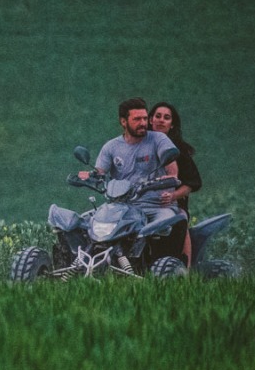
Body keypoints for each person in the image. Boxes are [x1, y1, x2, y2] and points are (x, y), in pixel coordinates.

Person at [86, 96, 182, 236]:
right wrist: (89, 176)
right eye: (137, 119)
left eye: (144, 118)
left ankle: (162, 257)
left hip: (155, 206)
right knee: (86, 225)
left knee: (163, 225)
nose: (143, 123)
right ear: (123, 122)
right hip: (122, 207)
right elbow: (99, 173)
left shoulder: (158, 139)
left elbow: (172, 172)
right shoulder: (111, 147)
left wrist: (168, 180)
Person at [151, 101, 201, 261]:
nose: (161, 120)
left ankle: (184, 270)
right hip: (141, 201)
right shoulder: (140, 144)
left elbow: (192, 183)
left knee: (180, 222)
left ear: (172, 124)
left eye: (166, 118)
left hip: (172, 203)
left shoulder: (178, 150)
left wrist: (173, 196)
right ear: (150, 119)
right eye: (158, 116)